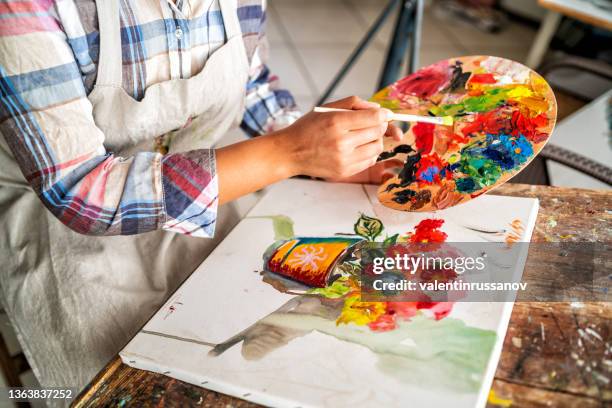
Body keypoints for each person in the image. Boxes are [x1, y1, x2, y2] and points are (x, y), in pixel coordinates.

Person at [0, 0, 402, 390]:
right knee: (144, 382)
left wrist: (325, 153)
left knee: (292, 337)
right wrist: (291, 152)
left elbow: (254, 83)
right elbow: (82, 192)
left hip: (207, 181)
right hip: (59, 225)